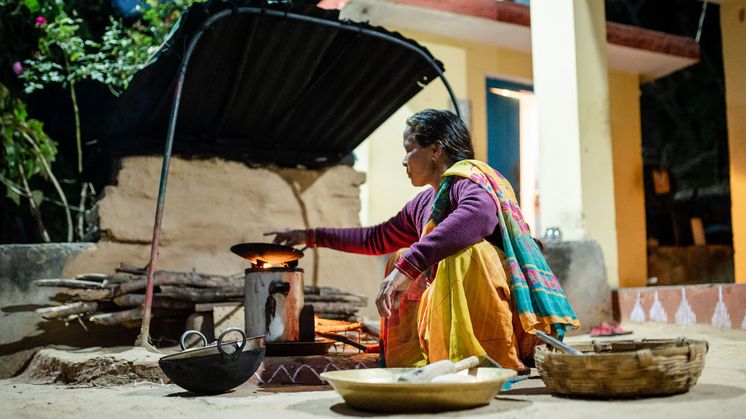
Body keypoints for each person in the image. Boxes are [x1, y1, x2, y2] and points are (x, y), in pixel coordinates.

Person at [266, 109, 579, 371]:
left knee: (459, 254)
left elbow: (480, 215)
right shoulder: (423, 204)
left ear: (435, 150)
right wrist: (310, 236)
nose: (404, 161)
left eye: (408, 149)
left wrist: (409, 267)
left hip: (505, 323)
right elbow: (376, 238)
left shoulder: (470, 179)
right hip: (454, 321)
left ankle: (485, 362)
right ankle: (418, 362)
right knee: (396, 255)